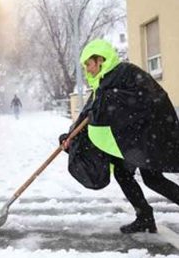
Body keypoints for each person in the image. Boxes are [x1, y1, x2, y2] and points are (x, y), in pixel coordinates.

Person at [60, 39, 179, 234]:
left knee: (152, 179)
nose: (87, 70)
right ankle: (145, 217)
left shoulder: (125, 73)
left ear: (100, 60)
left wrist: (107, 104)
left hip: (151, 134)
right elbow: (90, 110)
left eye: (88, 65)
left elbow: (147, 100)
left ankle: (145, 218)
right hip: (136, 137)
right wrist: (71, 135)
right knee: (123, 173)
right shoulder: (105, 81)